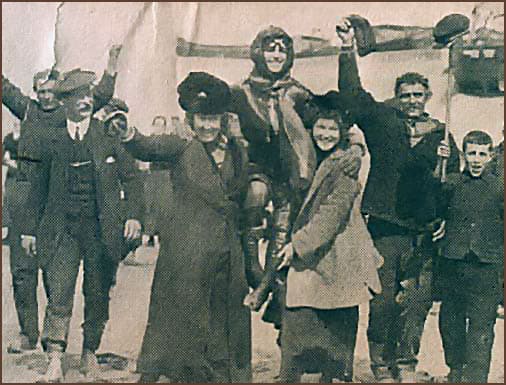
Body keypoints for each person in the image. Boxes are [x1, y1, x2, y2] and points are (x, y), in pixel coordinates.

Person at [335, 18, 461, 382]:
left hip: (421, 232)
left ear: (426, 98)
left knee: (418, 303)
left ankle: (406, 363)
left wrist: (443, 208)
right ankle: (380, 365)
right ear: (397, 98)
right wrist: (347, 50)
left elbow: (451, 184)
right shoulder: (382, 123)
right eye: (404, 95)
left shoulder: (442, 132)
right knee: (383, 302)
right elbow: (352, 96)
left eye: (417, 95)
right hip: (385, 228)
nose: (411, 101)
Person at [119, 72, 252, 383]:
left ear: (223, 119)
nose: (206, 126)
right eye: (200, 118)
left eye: (213, 119)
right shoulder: (180, 144)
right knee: (180, 317)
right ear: (190, 117)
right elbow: (147, 146)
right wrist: (129, 134)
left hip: (226, 251)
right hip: (187, 251)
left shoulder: (236, 150)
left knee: (224, 319)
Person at [234, 26, 364, 327]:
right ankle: (255, 276)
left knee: (283, 236)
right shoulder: (241, 92)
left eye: (282, 49)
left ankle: (267, 288)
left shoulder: (298, 92)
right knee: (255, 197)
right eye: (271, 48)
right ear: (258, 52)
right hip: (254, 170)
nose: (276, 55)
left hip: (290, 178)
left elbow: (329, 126)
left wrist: (355, 146)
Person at [21, 69, 142, 382]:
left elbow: (132, 178)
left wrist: (133, 215)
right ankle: (55, 359)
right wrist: (28, 230)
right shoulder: (51, 138)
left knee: (98, 292)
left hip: (101, 231)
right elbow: (37, 187)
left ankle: (90, 352)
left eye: (89, 95)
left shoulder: (107, 135)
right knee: (59, 292)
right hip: (61, 229)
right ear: (65, 102)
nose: (86, 101)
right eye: (78, 96)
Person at [275, 93, 382, 383]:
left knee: (336, 327)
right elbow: (289, 122)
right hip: (315, 249)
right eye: (320, 127)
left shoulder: (346, 165)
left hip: (340, 252)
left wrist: (296, 246)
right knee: (299, 323)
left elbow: (331, 217)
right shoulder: (309, 155)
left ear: (342, 133)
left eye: (332, 129)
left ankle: (333, 375)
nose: (325, 134)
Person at [433, 131, 503, 383]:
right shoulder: (451, 183)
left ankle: (475, 378)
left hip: (486, 266)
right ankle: (456, 369)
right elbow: (434, 207)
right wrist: (439, 164)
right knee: (450, 323)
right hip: (453, 264)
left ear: (491, 156)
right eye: (471, 153)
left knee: (481, 328)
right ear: (463, 154)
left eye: (482, 154)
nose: (476, 159)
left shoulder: (500, 187)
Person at [2, 121, 39, 353]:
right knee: (22, 276)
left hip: (50, 212)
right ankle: (28, 332)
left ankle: (56, 340)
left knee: (57, 280)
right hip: (19, 215)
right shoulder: (10, 137)